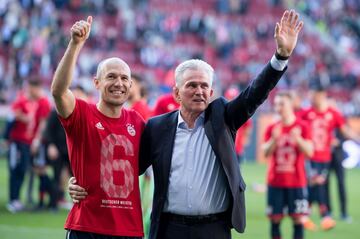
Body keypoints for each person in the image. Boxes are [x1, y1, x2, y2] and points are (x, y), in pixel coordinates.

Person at [70, 9, 304, 239]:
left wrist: (280, 57)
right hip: (169, 228)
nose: (199, 91)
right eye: (191, 85)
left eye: (204, 86)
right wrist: (81, 183)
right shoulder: (157, 127)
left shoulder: (223, 117)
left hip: (214, 228)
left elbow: (254, 94)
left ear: (212, 91)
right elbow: (126, 165)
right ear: (177, 93)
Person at [51, 16, 144, 238]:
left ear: (131, 86)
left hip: (128, 228)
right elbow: (58, 92)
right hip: (87, 227)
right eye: (111, 76)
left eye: (124, 78)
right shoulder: (82, 114)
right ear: (97, 83)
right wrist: (75, 45)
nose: (118, 83)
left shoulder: (138, 122)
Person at [298, 85, 360, 230]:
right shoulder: (306, 112)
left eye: (314, 95)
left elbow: (345, 131)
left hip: (325, 157)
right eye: (311, 95)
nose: (311, 98)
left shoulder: (333, 113)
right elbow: (295, 125)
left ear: (322, 95)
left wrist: (357, 139)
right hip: (310, 156)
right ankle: (323, 217)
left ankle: (305, 215)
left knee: (316, 185)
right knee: (316, 183)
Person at [263, 91, 313, 239]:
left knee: (298, 219)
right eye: (276, 104)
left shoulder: (302, 127)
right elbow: (265, 152)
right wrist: (273, 140)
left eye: (282, 104)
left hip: (297, 182)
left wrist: (298, 139)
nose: (278, 108)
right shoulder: (272, 128)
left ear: (291, 105)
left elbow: (310, 152)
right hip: (275, 181)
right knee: (275, 219)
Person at [7, 77, 51, 213]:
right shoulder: (22, 99)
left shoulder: (43, 102)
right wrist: (24, 118)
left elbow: (43, 123)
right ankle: (14, 199)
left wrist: (36, 140)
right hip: (18, 141)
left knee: (31, 170)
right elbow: (13, 113)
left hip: (32, 142)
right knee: (17, 168)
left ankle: (44, 198)